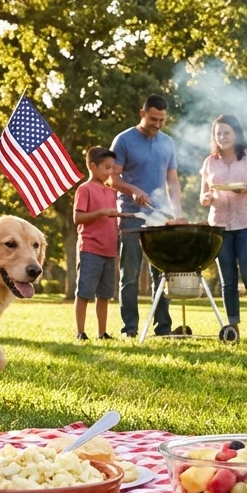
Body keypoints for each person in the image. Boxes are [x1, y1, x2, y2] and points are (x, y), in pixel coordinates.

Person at [110, 94, 185, 337]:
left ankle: (163, 327)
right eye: (153, 118)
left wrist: (178, 214)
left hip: (161, 216)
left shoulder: (168, 143)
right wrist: (133, 190)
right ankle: (129, 328)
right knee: (130, 275)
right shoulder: (123, 140)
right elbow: (112, 178)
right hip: (131, 216)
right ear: (142, 114)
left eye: (162, 120)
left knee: (162, 274)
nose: (158, 124)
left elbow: (172, 181)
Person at [200, 115, 247, 338]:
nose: (222, 137)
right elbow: (204, 194)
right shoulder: (210, 162)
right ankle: (233, 328)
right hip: (220, 226)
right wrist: (206, 199)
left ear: (236, 134)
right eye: (218, 133)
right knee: (228, 281)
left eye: (226, 133)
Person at [73, 147, 123, 340]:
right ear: (93, 166)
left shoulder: (111, 191)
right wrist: (102, 213)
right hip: (90, 249)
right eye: (106, 167)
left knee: (104, 294)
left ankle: (102, 332)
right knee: (85, 292)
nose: (110, 172)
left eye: (112, 167)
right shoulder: (84, 189)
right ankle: (80, 332)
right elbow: (78, 217)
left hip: (109, 250)